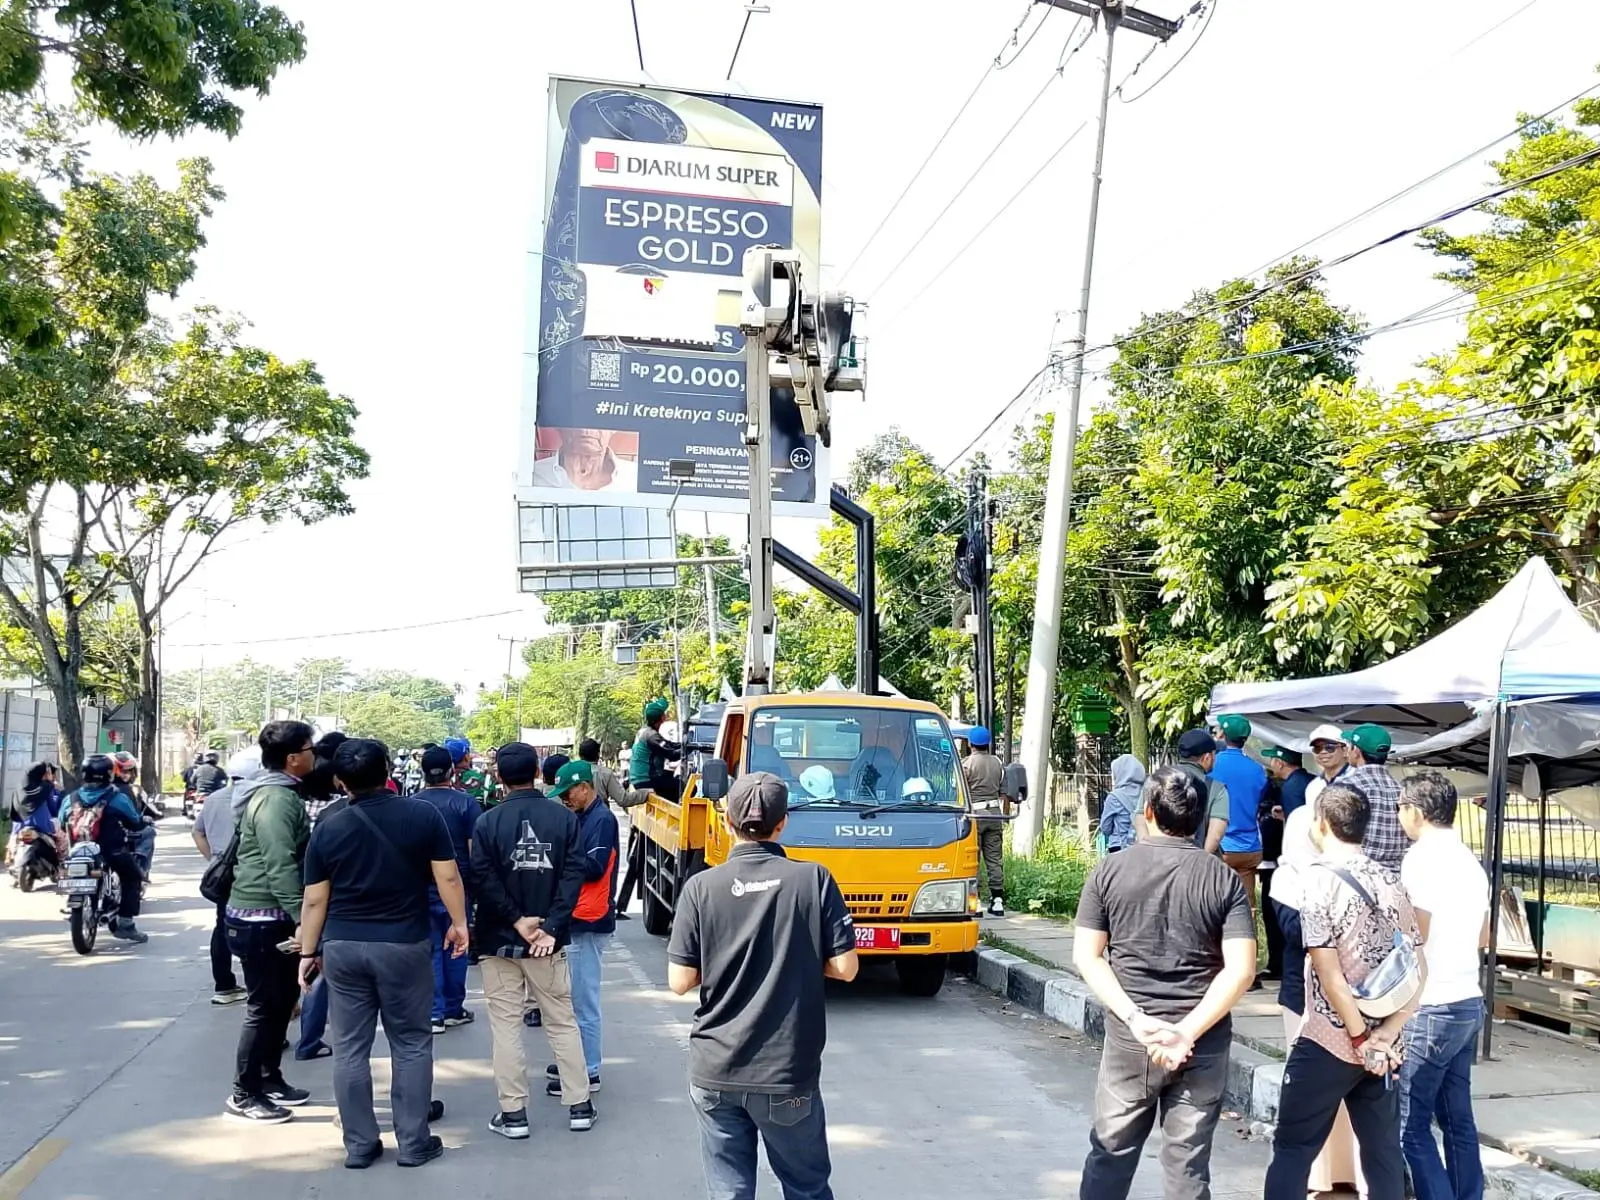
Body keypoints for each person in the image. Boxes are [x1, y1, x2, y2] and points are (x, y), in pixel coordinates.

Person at [667, 773, 859, 1200]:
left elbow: (680, 980)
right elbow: (846, 968)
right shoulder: (814, 880)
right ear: (783, 822)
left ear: (726, 819)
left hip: (716, 1070)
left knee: (730, 1190)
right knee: (806, 1187)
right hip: (785, 1073)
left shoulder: (701, 887)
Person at [1073, 766, 1257, 1200]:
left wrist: (1137, 1020)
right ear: (1197, 818)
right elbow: (1242, 969)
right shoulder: (1223, 879)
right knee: (1187, 1164)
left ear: (1149, 811)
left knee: (1110, 1153)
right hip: (1202, 1044)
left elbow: (1088, 955)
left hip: (1132, 1041)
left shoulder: (1110, 871)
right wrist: (1186, 1032)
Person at [296, 738, 469, 1169]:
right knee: (410, 1043)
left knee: (350, 1046)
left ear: (340, 779)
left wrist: (307, 951)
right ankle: (413, 1142)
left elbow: (315, 900)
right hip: (403, 944)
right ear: (388, 769)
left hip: (343, 946)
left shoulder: (329, 826)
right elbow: (448, 878)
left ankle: (359, 1144)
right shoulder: (421, 815)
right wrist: (460, 923)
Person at [1264, 785, 1423, 1200]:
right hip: (1385, 1047)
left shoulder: (1316, 882)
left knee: (1293, 1148)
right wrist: (1386, 1035)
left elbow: (1328, 972)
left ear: (1321, 824)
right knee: (1383, 1153)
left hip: (1329, 1040)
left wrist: (1359, 1038)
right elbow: (1417, 968)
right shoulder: (1392, 880)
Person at [470, 741, 595, 1137]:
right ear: (539, 773)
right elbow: (574, 874)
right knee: (562, 1022)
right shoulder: (563, 819)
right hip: (548, 943)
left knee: (506, 1028)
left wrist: (516, 920)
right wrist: (551, 926)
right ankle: (579, 1106)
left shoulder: (487, 822)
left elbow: (482, 879)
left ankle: (513, 1115)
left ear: (499, 777)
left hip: (500, 941)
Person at [1397, 771, 1489, 1200]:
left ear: (1415, 811)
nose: (1399, 816)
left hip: (1431, 1006)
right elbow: (1485, 936)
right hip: (1467, 999)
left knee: (1409, 1127)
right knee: (1457, 1120)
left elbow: (1417, 934)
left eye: (1400, 808)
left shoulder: (1420, 859)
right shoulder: (1471, 861)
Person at [1270, 803, 1365, 1196]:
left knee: (1321, 1098)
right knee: (1325, 1101)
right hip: (1322, 1000)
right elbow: (1296, 937)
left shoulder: (1314, 880)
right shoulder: (1289, 880)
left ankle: (1344, 1175)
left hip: (1322, 1004)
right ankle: (1325, 1175)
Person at [224, 720, 315, 1124]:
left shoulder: (281, 794)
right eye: (309, 748)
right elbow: (280, 867)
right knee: (263, 1007)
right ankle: (244, 1093)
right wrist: (302, 918)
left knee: (281, 1003)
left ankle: (269, 1077)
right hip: (261, 916)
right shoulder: (276, 801)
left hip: (268, 914)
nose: (315, 755)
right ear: (293, 758)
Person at [546, 759, 618, 1096]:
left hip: (589, 919)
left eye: (568, 792)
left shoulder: (601, 821)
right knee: (573, 998)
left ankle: (588, 1070)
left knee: (583, 1000)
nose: (565, 799)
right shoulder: (584, 817)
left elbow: (594, 866)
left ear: (585, 787)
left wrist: (559, 858)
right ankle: (576, 1060)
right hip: (579, 916)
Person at [415, 746, 479, 1035]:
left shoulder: (412, 804)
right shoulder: (466, 804)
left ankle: (434, 1012)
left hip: (421, 888)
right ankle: (453, 1009)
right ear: (453, 771)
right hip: (458, 886)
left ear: (423, 772)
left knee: (431, 949)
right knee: (458, 945)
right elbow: (473, 850)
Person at [294, 731, 349, 1061]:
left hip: (312, 890)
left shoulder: (302, 806)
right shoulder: (334, 813)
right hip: (336, 900)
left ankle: (308, 1038)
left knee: (315, 969)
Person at [61, 754, 151, 943]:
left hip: (78, 851)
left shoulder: (71, 798)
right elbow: (135, 821)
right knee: (133, 877)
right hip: (111, 851)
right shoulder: (116, 797)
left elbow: (62, 822)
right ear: (109, 774)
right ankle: (125, 924)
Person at [192, 749, 251, 1006]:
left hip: (222, 874)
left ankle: (224, 985)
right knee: (256, 927)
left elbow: (198, 833)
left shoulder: (214, 799)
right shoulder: (257, 800)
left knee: (222, 926)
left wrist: (215, 860)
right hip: (250, 874)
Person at [1206, 715, 1267, 924]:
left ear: (1222, 734)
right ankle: (1249, 950)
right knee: (1247, 905)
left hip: (1220, 847)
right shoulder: (1257, 769)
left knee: (1216, 904)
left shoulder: (1213, 765)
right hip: (1250, 848)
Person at [1340, 723, 1408, 870]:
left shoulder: (1348, 786)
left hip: (1359, 874)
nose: (1346, 750)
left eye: (1349, 746)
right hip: (1395, 878)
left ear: (1356, 751)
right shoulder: (1401, 789)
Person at [960, 726, 1010, 916]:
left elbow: (961, 793)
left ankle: (977, 902)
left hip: (974, 816)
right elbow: (1004, 793)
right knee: (994, 858)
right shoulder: (997, 763)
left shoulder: (966, 764)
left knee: (973, 859)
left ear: (971, 744)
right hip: (995, 815)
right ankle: (997, 901)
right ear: (987, 744)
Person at [1169, 730, 1231, 849]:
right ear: (1207, 757)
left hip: (1161, 861)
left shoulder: (1156, 782)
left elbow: (1141, 819)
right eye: (1214, 755)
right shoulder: (1216, 788)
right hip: (1198, 858)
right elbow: (1215, 835)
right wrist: (1200, 862)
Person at [629, 698, 682, 801]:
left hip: (640, 779)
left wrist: (682, 745)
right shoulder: (651, 736)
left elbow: (668, 744)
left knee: (670, 777)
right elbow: (671, 755)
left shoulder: (645, 732)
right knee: (684, 786)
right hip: (646, 780)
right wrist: (687, 750)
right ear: (661, 717)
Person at [1098, 754, 1145, 853]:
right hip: (1142, 846)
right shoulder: (1147, 793)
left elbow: (1105, 828)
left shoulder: (1114, 797)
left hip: (1119, 847)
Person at [1304, 724, 1349, 811]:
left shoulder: (1357, 780)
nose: (1323, 752)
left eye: (1330, 748)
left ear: (1345, 750)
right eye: (1317, 748)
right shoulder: (1313, 786)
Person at [1262, 745, 1314, 818]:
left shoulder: (1291, 786)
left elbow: (1297, 821)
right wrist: (1286, 812)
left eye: (1271, 759)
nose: (1270, 764)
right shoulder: (1310, 778)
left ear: (1279, 764)